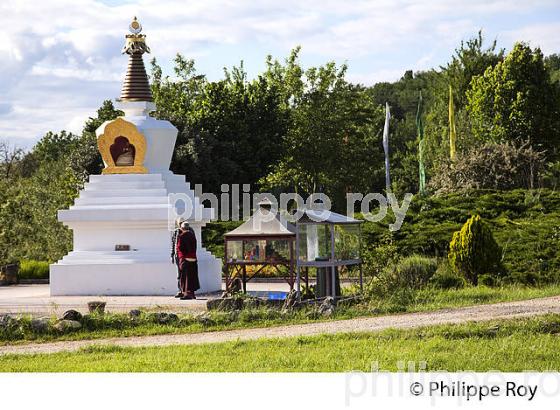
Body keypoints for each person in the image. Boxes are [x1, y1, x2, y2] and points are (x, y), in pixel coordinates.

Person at [176, 222, 200, 300]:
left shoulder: (182, 236)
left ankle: (187, 293)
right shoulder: (192, 235)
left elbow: (180, 248)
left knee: (185, 277)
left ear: (182, 228)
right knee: (192, 276)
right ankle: (192, 293)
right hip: (193, 258)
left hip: (185, 258)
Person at [170, 218, 184, 298]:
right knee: (179, 274)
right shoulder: (176, 232)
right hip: (177, 255)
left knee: (186, 274)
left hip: (186, 256)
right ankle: (180, 290)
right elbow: (173, 244)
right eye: (180, 223)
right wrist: (172, 255)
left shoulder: (189, 231)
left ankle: (186, 290)